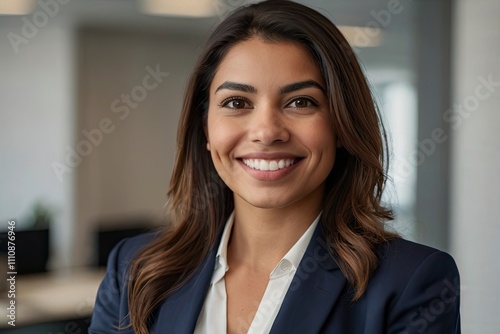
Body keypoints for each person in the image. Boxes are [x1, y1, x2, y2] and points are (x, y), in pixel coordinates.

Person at [89, 1, 461, 333]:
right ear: (205, 127)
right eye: (236, 103)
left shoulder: (411, 282)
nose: (266, 132)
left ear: (342, 126)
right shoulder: (135, 269)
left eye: (300, 102)